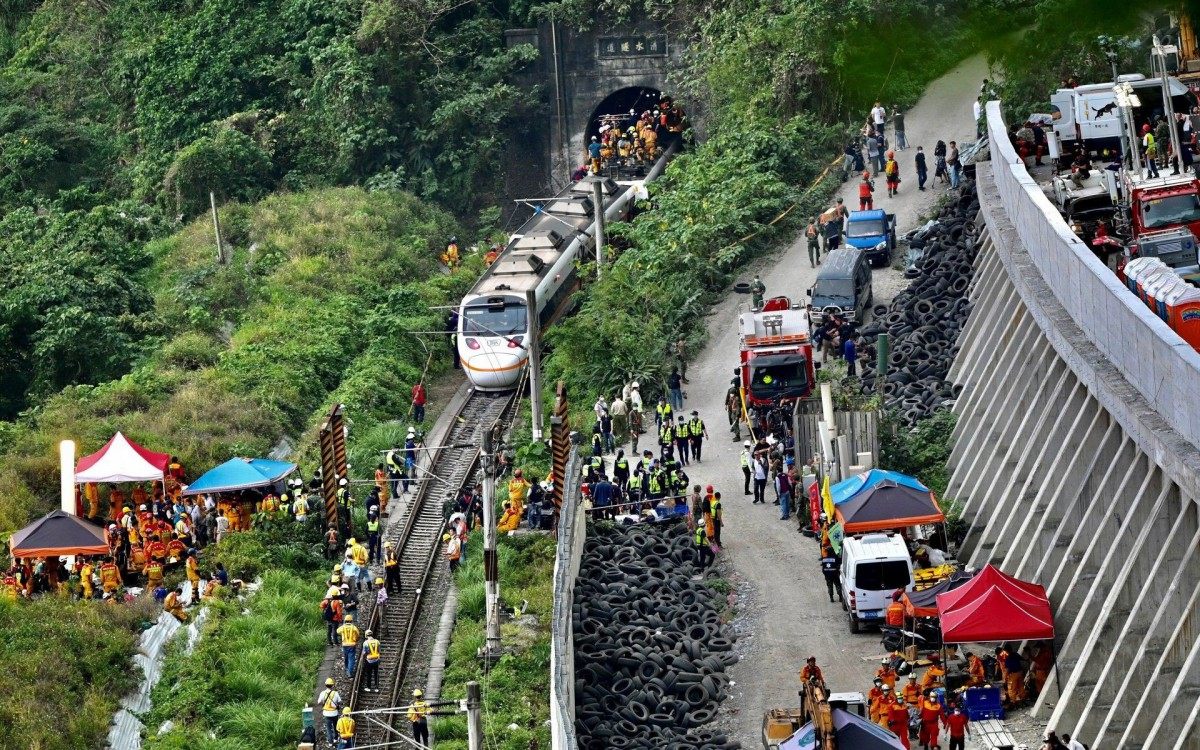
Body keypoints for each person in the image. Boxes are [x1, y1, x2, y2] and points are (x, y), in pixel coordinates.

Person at [319, 677, 342, 745]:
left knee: (329, 729)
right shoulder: (336, 693)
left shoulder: (323, 693)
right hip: (334, 713)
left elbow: (319, 702)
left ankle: (330, 742)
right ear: (332, 685)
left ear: (325, 685)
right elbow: (340, 701)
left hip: (326, 713)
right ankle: (335, 738)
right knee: (335, 727)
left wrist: (324, 702)